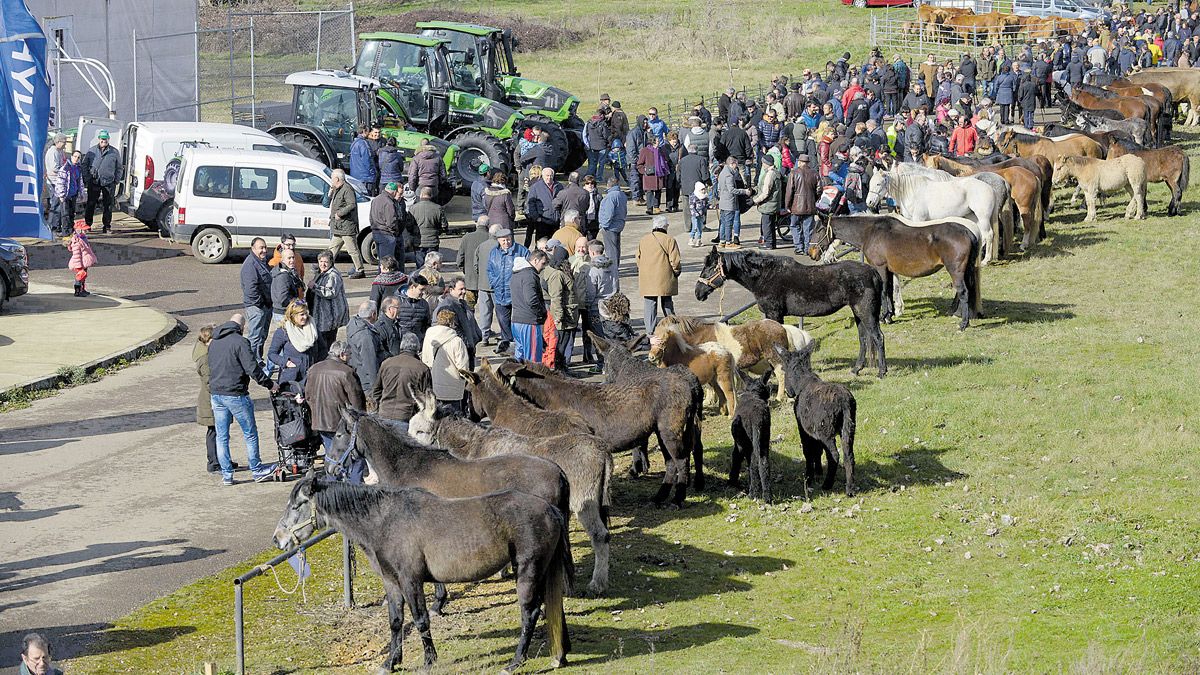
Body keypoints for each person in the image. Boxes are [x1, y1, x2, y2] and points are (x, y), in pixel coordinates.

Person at [207, 313, 278, 484]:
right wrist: (270, 384)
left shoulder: (214, 342)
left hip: (216, 394)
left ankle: (227, 475)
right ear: (241, 327)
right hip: (236, 394)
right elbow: (253, 369)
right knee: (250, 433)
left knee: (222, 436)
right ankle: (257, 469)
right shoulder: (241, 342)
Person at [303, 340, 365, 454]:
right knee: (352, 455)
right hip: (341, 422)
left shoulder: (314, 369)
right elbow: (356, 399)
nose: (350, 358)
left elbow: (308, 396)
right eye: (349, 355)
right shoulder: (346, 372)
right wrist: (360, 419)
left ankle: (332, 472)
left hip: (320, 421)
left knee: (331, 453)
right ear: (341, 355)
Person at [194, 323, 237, 475]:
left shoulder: (206, 353)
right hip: (211, 401)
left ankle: (223, 459)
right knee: (214, 432)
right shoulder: (205, 359)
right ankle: (214, 461)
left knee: (221, 431)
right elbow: (208, 381)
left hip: (213, 398)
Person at [372, 332, 431, 426]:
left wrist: (378, 407)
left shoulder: (386, 363)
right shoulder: (422, 368)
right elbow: (427, 398)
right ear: (418, 348)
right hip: (406, 416)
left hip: (384, 413)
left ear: (401, 346)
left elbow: (376, 390)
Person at [636, 214, 681, 333]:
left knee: (649, 304)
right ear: (665, 226)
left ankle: (650, 331)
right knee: (667, 302)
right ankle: (671, 326)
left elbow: (638, 258)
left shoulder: (644, 239)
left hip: (647, 277)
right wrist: (676, 272)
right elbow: (675, 260)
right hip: (664, 276)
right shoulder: (669, 240)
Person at [487, 228, 529, 353]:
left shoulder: (522, 251)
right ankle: (508, 347)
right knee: (503, 322)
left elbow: (528, 271)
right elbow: (489, 270)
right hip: (500, 293)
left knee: (518, 323)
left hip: (517, 295)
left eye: (508, 239)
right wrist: (494, 283)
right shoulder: (494, 253)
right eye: (503, 240)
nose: (506, 242)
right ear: (498, 240)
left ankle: (520, 347)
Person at [423, 309, 471, 411]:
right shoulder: (457, 341)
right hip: (453, 387)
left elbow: (425, 358)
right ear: (452, 323)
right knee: (453, 418)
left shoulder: (429, 335)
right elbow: (463, 367)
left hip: (434, 384)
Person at [541, 244, 579, 370]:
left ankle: (561, 368)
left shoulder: (551, 270)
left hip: (565, 314)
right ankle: (559, 370)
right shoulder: (557, 274)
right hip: (564, 317)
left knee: (561, 343)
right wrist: (558, 317)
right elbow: (556, 297)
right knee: (561, 344)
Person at [267, 299, 322, 385]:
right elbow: (272, 354)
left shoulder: (313, 329)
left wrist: (318, 365)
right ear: (293, 315)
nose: (305, 317)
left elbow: (323, 349)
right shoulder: (283, 332)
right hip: (292, 377)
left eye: (306, 313)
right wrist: (286, 362)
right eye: (302, 314)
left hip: (312, 376)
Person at [307, 251, 349, 359]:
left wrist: (315, 287)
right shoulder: (321, 273)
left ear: (331, 262)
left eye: (326, 262)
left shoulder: (333, 275)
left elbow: (330, 292)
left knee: (326, 343)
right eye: (321, 261)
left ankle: (328, 361)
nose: (323, 264)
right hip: (321, 317)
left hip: (328, 318)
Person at [510, 249, 548, 363]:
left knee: (519, 356)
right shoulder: (529, 275)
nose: (543, 267)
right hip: (529, 322)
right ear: (535, 260)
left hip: (516, 320)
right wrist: (542, 312)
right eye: (543, 263)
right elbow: (531, 300)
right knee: (532, 359)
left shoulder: (516, 273)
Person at [327, 169, 365, 279]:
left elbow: (352, 204)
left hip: (346, 226)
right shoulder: (337, 189)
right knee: (332, 248)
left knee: (352, 249)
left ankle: (360, 270)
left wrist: (340, 213)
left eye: (332, 178)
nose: (331, 180)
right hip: (339, 226)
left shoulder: (347, 189)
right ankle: (326, 266)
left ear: (337, 179)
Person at [82, 129, 123, 233]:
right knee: (91, 204)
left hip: (109, 183)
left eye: (105, 139)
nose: (103, 140)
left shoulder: (114, 152)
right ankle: (87, 225)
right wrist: (87, 178)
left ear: (108, 139)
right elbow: (84, 165)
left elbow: (119, 168)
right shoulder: (91, 151)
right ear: (99, 139)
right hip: (94, 182)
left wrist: (116, 180)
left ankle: (107, 226)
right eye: (102, 138)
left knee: (108, 205)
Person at [240, 237, 273, 365]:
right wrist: (261, 305)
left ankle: (258, 359)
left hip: (264, 306)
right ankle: (251, 363)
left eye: (265, 247)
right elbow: (250, 289)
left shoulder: (261, 261)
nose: (264, 250)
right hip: (256, 307)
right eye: (261, 248)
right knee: (255, 336)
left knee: (262, 336)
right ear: (253, 249)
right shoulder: (250, 265)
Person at [436, 276, 482, 366]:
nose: (464, 291)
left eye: (465, 288)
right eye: (461, 289)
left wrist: (477, 336)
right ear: (451, 290)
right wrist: (466, 344)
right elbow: (452, 329)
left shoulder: (462, 303)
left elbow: (471, 322)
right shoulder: (448, 307)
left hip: (469, 347)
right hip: (460, 349)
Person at [347, 300, 383, 401]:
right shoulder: (366, 336)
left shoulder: (353, 324)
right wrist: (376, 389)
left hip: (358, 373)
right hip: (366, 383)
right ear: (373, 314)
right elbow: (370, 363)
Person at [784, 154, 819, 255]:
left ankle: (798, 247)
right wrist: (814, 199)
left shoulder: (794, 173)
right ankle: (807, 248)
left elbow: (789, 191)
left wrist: (787, 205)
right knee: (808, 228)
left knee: (794, 226)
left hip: (796, 206)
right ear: (808, 163)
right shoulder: (814, 173)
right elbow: (819, 189)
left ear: (799, 162)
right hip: (810, 205)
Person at [473, 223, 501, 345]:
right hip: (498, 285)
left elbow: (475, 266)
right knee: (501, 312)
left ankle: (484, 336)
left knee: (484, 312)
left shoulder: (481, 246)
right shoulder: (500, 247)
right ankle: (504, 336)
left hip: (483, 285)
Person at [717, 156, 749, 248]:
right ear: (732, 164)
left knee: (723, 222)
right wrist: (744, 191)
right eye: (736, 164)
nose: (737, 166)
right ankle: (728, 242)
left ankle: (722, 241)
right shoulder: (729, 175)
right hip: (729, 203)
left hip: (723, 202)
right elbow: (732, 190)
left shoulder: (722, 172)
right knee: (728, 223)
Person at [525, 166, 561, 248]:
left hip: (555, 221)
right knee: (541, 245)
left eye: (551, 175)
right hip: (542, 221)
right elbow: (531, 203)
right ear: (542, 176)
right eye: (547, 176)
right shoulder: (535, 187)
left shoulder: (559, 186)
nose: (549, 178)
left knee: (554, 245)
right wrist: (536, 217)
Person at [369, 181, 404, 267]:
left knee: (381, 261)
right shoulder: (389, 203)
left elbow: (371, 217)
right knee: (387, 261)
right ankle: (386, 279)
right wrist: (395, 231)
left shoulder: (375, 200)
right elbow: (391, 221)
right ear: (394, 192)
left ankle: (381, 277)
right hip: (386, 234)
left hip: (376, 232)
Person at [598, 178, 627, 276]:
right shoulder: (621, 194)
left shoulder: (610, 196)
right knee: (616, 248)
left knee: (610, 250)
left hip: (610, 226)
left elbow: (609, 213)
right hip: (619, 224)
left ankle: (612, 269)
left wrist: (604, 225)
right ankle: (616, 267)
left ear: (608, 184)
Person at [753, 154, 782, 250]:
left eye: (763, 163)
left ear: (766, 163)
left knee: (767, 225)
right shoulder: (777, 172)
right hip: (774, 204)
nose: (762, 165)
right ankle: (772, 243)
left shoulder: (769, 174)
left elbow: (766, 192)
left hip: (768, 204)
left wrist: (755, 201)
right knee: (771, 225)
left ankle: (768, 244)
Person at [270, 247, 304, 329]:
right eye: (289, 258)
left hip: (282, 312)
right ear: (282, 260)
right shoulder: (283, 276)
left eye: (293, 257)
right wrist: (298, 303)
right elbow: (283, 299)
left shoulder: (286, 271)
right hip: (283, 314)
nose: (292, 260)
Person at [52, 149, 83, 236]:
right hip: (65, 195)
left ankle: (71, 231)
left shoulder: (78, 168)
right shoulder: (65, 168)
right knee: (65, 215)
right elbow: (60, 182)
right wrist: (61, 195)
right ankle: (65, 232)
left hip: (74, 194)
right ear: (71, 157)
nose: (76, 159)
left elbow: (80, 181)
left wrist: (81, 193)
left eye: (78, 157)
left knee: (72, 213)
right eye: (75, 156)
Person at [410, 186, 446, 260]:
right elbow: (444, 226)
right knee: (432, 265)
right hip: (433, 241)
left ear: (421, 195)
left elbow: (409, 225)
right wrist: (438, 232)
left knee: (420, 267)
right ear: (431, 196)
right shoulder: (438, 208)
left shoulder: (412, 208)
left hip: (418, 242)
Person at [636, 135, 668, 215]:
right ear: (653, 142)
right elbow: (639, 164)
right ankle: (649, 208)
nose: (659, 142)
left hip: (658, 174)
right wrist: (645, 171)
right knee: (649, 192)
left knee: (658, 191)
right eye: (657, 141)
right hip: (649, 175)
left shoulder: (660, 150)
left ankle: (656, 206)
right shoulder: (645, 150)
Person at [396, 274, 432, 344]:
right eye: (421, 289)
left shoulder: (424, 304)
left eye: (425, 290)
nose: (424, 293)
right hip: (400, 342)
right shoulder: (396, 301)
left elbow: (427, 324)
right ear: (412, 287)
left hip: (418, 342)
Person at [65, 220, 97, 297]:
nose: (86, 231)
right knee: (80, 276)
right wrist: (78, 266)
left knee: (83, 276)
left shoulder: (83, 238)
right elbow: (76, 255)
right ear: (79, 230)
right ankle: (78, 290)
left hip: (84, 261)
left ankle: (82, 289)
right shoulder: (77, 242)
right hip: (79, 262)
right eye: (84, 230)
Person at [350, 126, 380, 196]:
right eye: (368, 131)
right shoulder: (363, 144)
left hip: (356, 176)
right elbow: (368, 161)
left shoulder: (354, 143)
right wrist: (374, 173)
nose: (369, 133)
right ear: (364, 131)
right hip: (366, 177)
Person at [585, 109, 612, 179]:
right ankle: (599, 177)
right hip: (602, 146)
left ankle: (591, 175)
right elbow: (606, 135)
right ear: (602, 115)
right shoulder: (603, 124)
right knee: (601, 163)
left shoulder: (589, 123)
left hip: (592, 146)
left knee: (593, 163)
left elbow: (586, 134)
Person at [687, 181, 709, 248]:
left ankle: (698, 240)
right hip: (695, 215)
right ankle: (691, 239)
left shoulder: (704, 196)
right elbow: (691, 206)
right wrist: (695, 213)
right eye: (701, 189)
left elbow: (705, 205)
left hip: (701, 215)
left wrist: (709, 206)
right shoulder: (693, 196)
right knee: (695, 227)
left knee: (700, 227)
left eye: (704, 189)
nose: (703, 191)